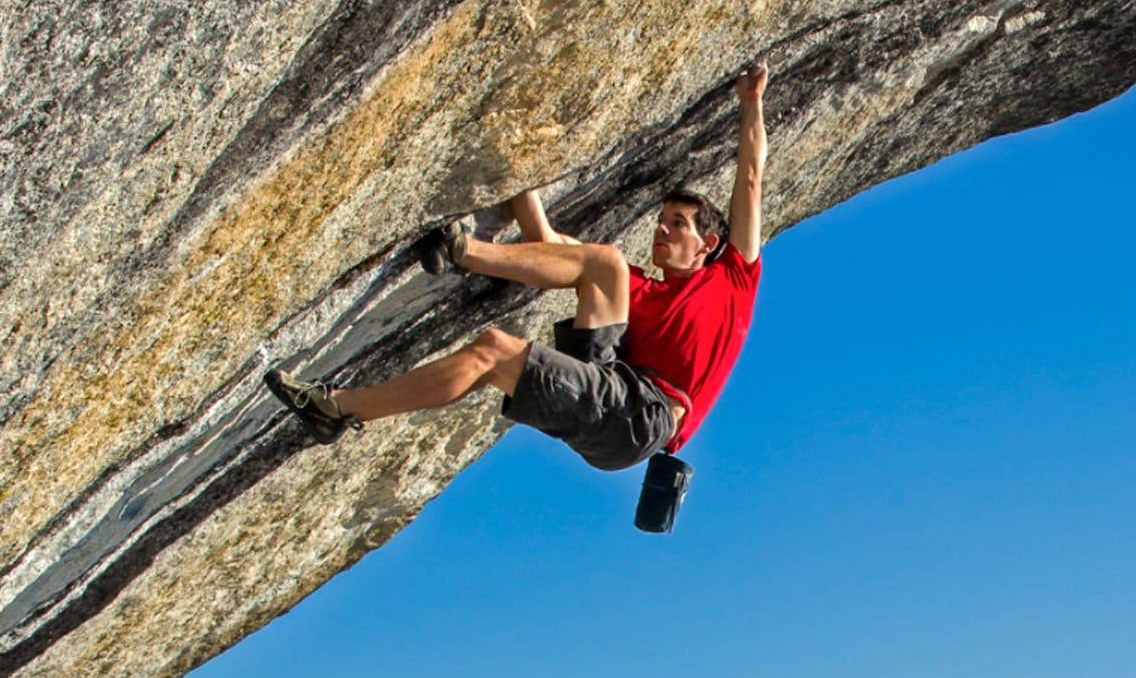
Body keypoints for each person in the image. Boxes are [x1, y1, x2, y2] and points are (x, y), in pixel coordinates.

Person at [265, 62, 767, 475]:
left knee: (493, 351)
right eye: (661, 221)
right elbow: (546, 246)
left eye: (677, 225)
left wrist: (751, 101)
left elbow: (749, 178)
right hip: (611, 379)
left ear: (710, 244)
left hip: (640, 418)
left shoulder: (733, 277)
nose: (662, 231)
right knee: (604, 263)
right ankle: (461, 252)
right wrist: (515, 165)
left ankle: (341, 406)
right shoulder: (638, 287)